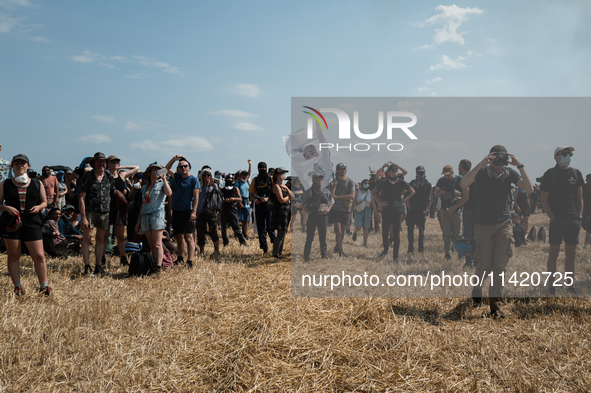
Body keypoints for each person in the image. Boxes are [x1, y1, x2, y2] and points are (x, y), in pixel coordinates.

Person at [461, 145, 533, 318]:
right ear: (491, 157)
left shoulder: (510, 173)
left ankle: (495, 307)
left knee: (499, 268)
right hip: (483, 224)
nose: (499, 163)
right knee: (484, 264)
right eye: (496, 159)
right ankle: (477, 289)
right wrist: (482, 162)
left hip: (503, 224)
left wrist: (519, 165)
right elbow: (464, 183)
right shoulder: (483, 171)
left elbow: (529, 189)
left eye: (502, 159)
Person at [0, 154, 51, 296]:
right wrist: (7, 208)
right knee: (14, 254)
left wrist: (40, 207)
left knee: (39, 255)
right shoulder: (5, 184)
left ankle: (44, 286)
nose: (20, 165)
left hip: (32, 221)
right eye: (16, 163)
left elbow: (45, 202)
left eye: (23, 163)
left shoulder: (37, 183)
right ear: (12, 167)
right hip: (11, 222)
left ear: (28, 166)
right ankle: (18, 286)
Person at [540, 146, 585, 295]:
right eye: (564, 154)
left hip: (573, 220)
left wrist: (579, 216)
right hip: (557, 220)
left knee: (571, 255)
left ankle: (570, 286)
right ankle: (551, 286)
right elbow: (543, 200)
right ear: (556, 157)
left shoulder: (576, 173)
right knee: (553, 253)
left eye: (570, 154)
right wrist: (553, 218)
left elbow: (580, 198)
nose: (568, 156)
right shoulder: (550, 174)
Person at [79, 152, 115, 276]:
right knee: (87, 238)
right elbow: (81, 198)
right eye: (99, 161)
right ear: (94, 163)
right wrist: (83, 217)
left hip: (104, 212)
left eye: (104, 161)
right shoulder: (87, 176)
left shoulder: (109, 177)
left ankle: (98, 266)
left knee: (100, 239)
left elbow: (111, 194)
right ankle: (87, 266)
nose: (102, 164)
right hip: (90, 211)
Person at [372, 164, 415, 261]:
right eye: (393, 171)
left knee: (396, 233)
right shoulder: (384, 182)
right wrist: (379, 202)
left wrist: (404, 200)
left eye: (396, 171)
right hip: (386, 209)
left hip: (397, 209)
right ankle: (386, 249)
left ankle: (395, 255)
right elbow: (373, 192)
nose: (394, 173)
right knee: (385, 231)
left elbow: (412, 191)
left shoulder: (401, 182)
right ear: (388, 172)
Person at [136, 164, 172, 274]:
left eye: (158, 170)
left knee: (157, 244)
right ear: (149, 173)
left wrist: (164, 179)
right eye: (154, 170)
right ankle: (155, 264)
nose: (156, 172)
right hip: (146, 216)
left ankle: (158, 267)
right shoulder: (144, 188)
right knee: (151, 244)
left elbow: (169, 193)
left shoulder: (162, 184)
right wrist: (138, 221)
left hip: (157, 215)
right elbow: (143, 204)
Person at [165, 155, 200, 267]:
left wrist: (194, 212)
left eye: (185, 166)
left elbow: (196, 197)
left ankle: (189, 261)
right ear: (178, 169)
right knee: (178, 236)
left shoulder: (194, 179)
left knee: (188, 237)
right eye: (181, 166)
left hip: (187, 211)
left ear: (189, 168)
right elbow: (165, 169)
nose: (183, 168)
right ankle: (180, 258)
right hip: (176, 210)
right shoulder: (178, 177)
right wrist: (174, 159)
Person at [106, 155, 139, 266]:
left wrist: (120, 167)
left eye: (117, 161)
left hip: (120, 209)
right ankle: (102, 257)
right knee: (105, 235)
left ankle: (123, 257)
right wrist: (107, 167)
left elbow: (136, 167)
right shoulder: (104, 175)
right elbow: (87, 170)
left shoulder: (122, 175)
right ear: (108, 163)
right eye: (113, 161)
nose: (115, 163)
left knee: (120, 236)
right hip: (107, 208)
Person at [301, 173, 334, 261]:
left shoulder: (326, 191)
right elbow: (299, 202)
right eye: (318, 179)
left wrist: (329, 209)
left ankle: (324, 257)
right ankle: (306, 257)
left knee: (323, 238)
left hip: (323, 217)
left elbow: (331, 202)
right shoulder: (309, 191)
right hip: (312, 216)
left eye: (321, 179)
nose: (320, 181)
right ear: (314, 180)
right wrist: (305, 210)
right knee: (309, 238)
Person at [434, 164, 463, 259]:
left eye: (448, 175)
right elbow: (435, 195)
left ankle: (460, 254)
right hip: (444, 209)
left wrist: (460, 194)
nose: (447, 177)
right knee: (447, 233)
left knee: (458, 234)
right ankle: (447, 254)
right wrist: (440, 193)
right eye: (445, 175)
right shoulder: (441, 181)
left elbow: (467, 193)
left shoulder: (460, 179)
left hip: (457, 209)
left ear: (452, 172)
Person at [450, 159, 476, 267]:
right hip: (478, 210)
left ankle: (469, 261)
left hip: (469, 211)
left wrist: (454, 206)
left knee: (469, 237)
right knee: (477, 236)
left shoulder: (466, 179)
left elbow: (466, 198)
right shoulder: (475, 177)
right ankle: (477, 260)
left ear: (461, 167)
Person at [328, 163, 355, 256]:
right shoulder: (332, 182)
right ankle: (340, 250)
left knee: (342, 231)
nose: (342, 171)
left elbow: (352, 196)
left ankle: (338, 246)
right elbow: (331, 196)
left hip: (345, 209)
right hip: (335, 209)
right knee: (338, 230)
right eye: (340, 169)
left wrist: (338, 197)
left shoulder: (350, 181)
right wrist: (335, 185)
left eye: (344, 169)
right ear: (337, 170)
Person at [249, 162, 275, 254]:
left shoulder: (271, 179)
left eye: (263, 170)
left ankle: (274, 241)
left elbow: (275, 192)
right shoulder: (255, 180)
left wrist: (267, 198)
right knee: (261, 228)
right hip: (259, 205)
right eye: (260, 170)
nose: (262, 172)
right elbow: (251, 194)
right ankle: (264, 247)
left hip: (269, 205)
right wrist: (254, 199)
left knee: (269, 226)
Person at [195, 168, 221, 256]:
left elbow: (217, 198)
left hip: (211, 211)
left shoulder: (214, 186)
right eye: (204, 175)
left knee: (213, 231)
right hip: (200, 211)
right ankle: (201, 251)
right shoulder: (199, 186)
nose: (206, 177)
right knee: (200, 232)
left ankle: (217, 251)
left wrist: (216, 209)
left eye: (208, 175)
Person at [406, 166, 431, 254]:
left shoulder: (427, 184)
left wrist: (427, 209)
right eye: (419, 172)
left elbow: (430, 198)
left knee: (421, 231)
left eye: (422, 172)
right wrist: (408, 206)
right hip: (412, 209)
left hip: (422, 210)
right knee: (410, 230)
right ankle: (410, 248)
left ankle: (421, 249)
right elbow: (407, 195)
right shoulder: (412, 183)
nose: (421, 174)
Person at [270, 167, 293, 258]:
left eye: (284, 172)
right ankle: (275, 253)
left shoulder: (283, 185)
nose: (284, 174)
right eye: (281, 173)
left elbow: (293, 195)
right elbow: (281, 200)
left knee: (283, 233)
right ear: (277, 175)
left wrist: (287, 190)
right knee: (281, 233)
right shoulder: (276, 186)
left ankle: (279, 252)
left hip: (286, 211)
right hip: (280, 211)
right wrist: (288, 195)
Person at [220, 174, 247, 246]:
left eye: (230, 179)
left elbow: (240, 199)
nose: (229, 180)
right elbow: (219, 200)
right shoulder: (222, 190)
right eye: (228, 179)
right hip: (224, 209)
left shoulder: (235, 189)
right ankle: (225, 242)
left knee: (236, 226)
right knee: (223, 227)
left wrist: (234, 199)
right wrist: (225, 200)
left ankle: (242, 242)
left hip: (233, 209)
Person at [352, 179, 372, 247]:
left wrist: (375, 212)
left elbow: (372, 202)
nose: (367, 184)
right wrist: (353, 207)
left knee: (366, 227)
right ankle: (355, 232)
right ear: (362, 184)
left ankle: (365, 243)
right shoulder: (358, 191)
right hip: (359, 209)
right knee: (359, 227)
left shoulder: (370, 192)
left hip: (367, 209)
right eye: (365, 183)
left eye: (368, 183)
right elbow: (354, 200)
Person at [235, 169, 252, 240]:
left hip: (247, 204)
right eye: (244, 175)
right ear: (241, 176)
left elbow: (251, 193)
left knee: (246, 220)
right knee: (238, 220)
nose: (245, 176)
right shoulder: (237, 184)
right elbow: (235, 194)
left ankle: (245, 234)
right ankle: (237, 234)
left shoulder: (248, 183)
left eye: (246, 175)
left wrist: (250, 200)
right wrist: (239, 203)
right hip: (240, 203)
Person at [582, 174, 591, 247]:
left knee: (588, 230)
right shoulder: (583, 188)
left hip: (586, 210)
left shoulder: (583, 188)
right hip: (586, 211)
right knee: (588, 230)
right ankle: (586, 245)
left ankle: (585, 245)